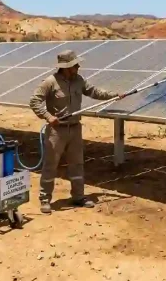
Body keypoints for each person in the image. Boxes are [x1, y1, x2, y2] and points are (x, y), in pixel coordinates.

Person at [29, 49, 123, 214]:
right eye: (74, 64)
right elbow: (34, 101)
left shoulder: (79, 80)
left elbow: (94, 91)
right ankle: (45, 200)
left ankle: (78, 197)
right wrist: (47, 116)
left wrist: (114, 95)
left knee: (77, 164)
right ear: (65, 67)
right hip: (56, 131)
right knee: (51, 166)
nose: (78, 66)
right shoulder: (50, 82)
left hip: (75, 129)